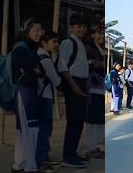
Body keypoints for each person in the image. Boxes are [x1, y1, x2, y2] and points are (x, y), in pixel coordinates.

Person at [11, 18, 44, 173]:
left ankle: (20, 165)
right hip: (24, 92)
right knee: (28, 129)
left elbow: (40, 72)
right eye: (35, 30)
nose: (39, 33)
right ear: (27, 32)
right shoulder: (21, 49)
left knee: (27, 129)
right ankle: (27, 167)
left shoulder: (31, 49)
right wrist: (34, 71)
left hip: (29, 92)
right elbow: (26, 73)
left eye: (40, 30)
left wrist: (34, 71)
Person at [57, 13, 90, 168]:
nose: (82, 29)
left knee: (78, 122)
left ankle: (72, 152)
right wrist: (74, 86)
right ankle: (68, 156)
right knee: (74, 122)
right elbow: (62, 67)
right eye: (78, 26)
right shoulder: (68, 43)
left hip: (81, 83)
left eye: (84, 26)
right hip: (74, 84)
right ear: (71, 27)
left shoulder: (80, 43)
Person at [36, 30, 61, 172]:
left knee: (43, 129)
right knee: (44, 129)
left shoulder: (39, 55)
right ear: (44, 43)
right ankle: (41, 160)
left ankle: (43, 156)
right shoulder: (45, 59)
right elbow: (56, 81)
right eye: (54, 42)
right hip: (44, 97)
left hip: (40, 97)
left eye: (57, 42)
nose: (56, 45)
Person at [82, 24, 105, 159]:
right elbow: (87, 66)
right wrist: (94, 65)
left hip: (100, 88)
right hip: (92, 88)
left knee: (98, 119)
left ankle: (95, 146)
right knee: (92, 120)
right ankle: (91, 147)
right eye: (98, 34)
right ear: (92, 35)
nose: (101, 36)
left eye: (102, 34)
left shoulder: (99, 49)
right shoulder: (88, 49)